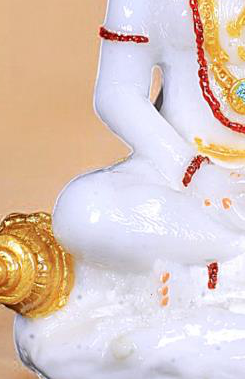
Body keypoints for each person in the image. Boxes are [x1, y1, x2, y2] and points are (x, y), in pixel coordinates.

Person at [53, 0, 245, 307]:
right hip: (180, 172)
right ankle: (232, 258)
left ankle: (206, 267)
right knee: (82, 211)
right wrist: (195, 174)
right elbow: (118, 93)